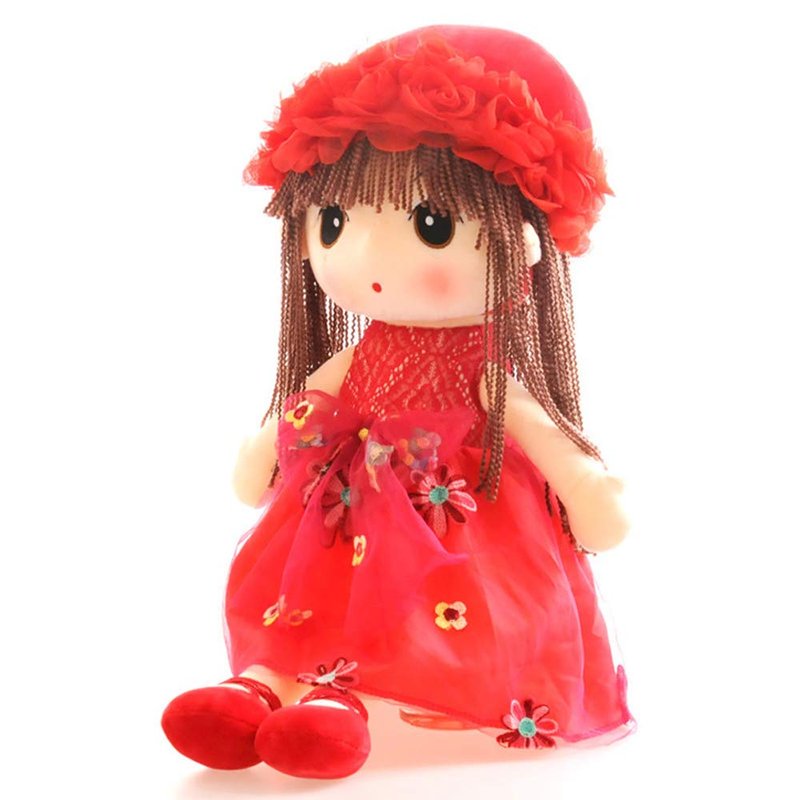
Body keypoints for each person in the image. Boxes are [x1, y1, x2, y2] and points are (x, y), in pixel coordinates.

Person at [161, 23, 637, 780]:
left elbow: (531, 420)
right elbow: (306, 400)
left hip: (454, 522)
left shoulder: (487, 370)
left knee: (411, 612)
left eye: (431, 224)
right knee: (308, 597)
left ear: (524, 240)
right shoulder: (356, 354)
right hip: (338, 508)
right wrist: (264, 449)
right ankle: (260, 685)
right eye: (335, 222)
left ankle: (341, 701)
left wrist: (584, 485)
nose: (365, 258)